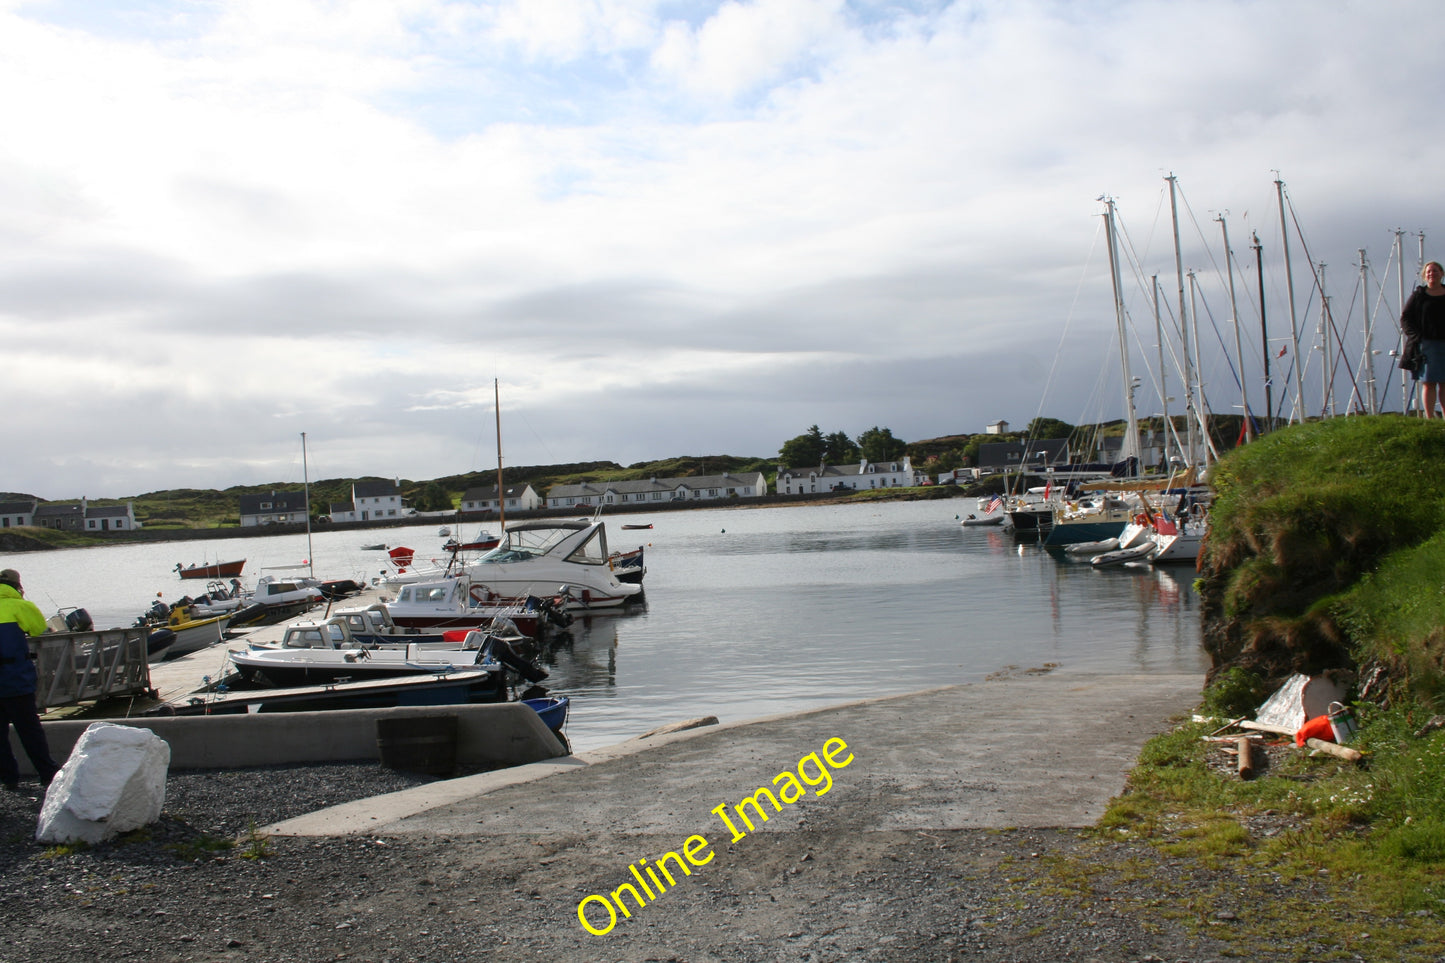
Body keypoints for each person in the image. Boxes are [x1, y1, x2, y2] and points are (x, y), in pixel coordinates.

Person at [0, 568, 61, 790]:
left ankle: (9, 778)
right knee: (29, 730)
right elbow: (38, 630)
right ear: (18, 586)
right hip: (16, 678)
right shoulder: (21, 606)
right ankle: (47, 773)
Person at [1400, 261, 1445, 418]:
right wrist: (1415, 336)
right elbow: (1406, 318)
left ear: (1442, 273)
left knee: (1444, 384)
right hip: (1426, 344)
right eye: (1429, 272)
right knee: (1429, 382)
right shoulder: (1419, 295)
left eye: (1435, 271)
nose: (1432, 274)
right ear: (1425, 275)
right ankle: (1430, 418)